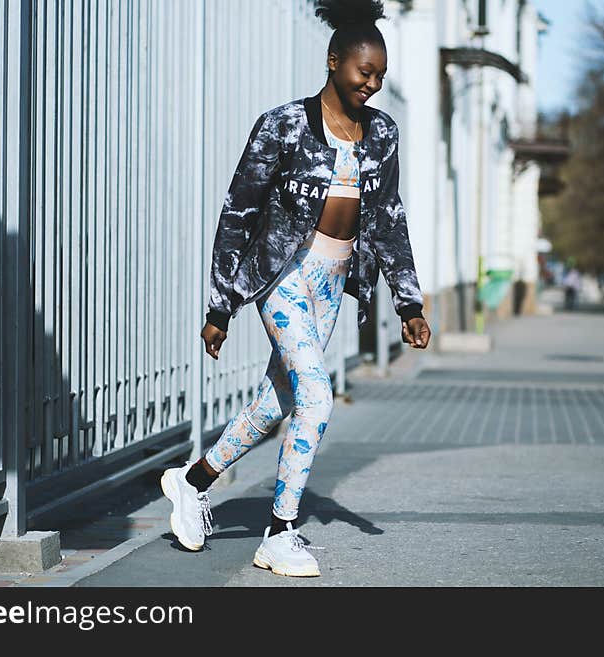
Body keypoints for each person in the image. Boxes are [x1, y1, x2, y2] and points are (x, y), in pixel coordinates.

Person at [160, 0, 431, 577]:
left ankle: (191, 483)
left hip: (333, 282)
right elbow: (238, 214)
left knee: (275, 404)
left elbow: (387, 218)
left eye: (381, 75)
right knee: (315, 395)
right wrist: (221, 306)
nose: (373, 84)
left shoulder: (382, 133)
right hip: (281, 277)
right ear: (334, 62)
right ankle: (280, 533)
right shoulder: (281, 125)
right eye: (365, 72)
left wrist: (408, 301)